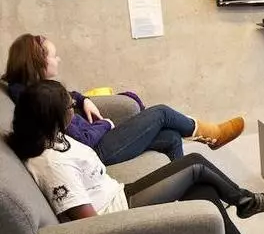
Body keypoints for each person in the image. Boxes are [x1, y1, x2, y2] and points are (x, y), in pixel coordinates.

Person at [6, 80, 264, 234]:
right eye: (70, 108)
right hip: (118, 212)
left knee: (202, 189)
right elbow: (90, 225)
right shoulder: (52, 164)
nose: (74, 111)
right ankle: (246, 201)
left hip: (119, 194)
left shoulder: (53, 136)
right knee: (196, 164)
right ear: (52, 115)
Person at [3, 33, 245, 165]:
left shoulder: (32, 90)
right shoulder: (36, 102)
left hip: (99, 140)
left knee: (171, 137)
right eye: (54, 56)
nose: (59, 60)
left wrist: (83, 100)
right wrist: (105, 124)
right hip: (98, 149)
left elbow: (68, 96)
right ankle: (211, 134)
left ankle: (186, 199)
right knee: (161, 112)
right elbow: (83, 139)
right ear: (38, 62)